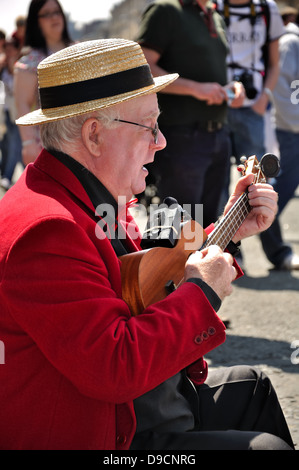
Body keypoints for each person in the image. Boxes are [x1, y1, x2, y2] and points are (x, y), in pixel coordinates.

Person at [0, 39, 293, 451]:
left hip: (138, 407)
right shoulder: (47, 232)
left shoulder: (84, 193)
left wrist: (231, 228)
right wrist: (203, 292)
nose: (161, 142)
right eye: (150, 126)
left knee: (256, 387)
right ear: (94, 134)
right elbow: (112, 368)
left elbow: (151, 279)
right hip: (108, 432)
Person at [136, 0, 245, 227]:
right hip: (180, 137)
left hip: (218, 135)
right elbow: (141, 68)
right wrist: (196, 89)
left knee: (205, 227)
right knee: (171, 229)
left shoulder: (214, 14)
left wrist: (231, 88)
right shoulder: (166, 10)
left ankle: (199, 264)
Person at [215, 0, 285, 162]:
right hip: (217, 106)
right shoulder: (212, 6)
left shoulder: (267, 8)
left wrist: (264, 99)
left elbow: (275, 64)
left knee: (254, 176)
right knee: (217, 180)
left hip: (253, 107)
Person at [260, 7, 299, 270]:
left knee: (285, 184)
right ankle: (266, 224)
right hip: (290, 128)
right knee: (283, 185)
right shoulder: (290, 42)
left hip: (291, 125)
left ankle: (268, 228)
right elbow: (283, 90)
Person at [14, 0, 73, 166]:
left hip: (89, 136)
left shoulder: (79, 49)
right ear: (36, 21)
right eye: (46, 14)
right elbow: (23, 104)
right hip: (52, 144)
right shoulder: (31, 60)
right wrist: (28, 143)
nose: (54, 17)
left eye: (57, 12)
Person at [0, 37, 23, 190]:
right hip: (6, 111)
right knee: (9, 144)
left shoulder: (22, 67)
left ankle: (7, 177)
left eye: (10, 48)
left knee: (15, 144)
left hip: (19, 111)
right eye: (5, 48)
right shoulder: (2, 68)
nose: (8, 52)